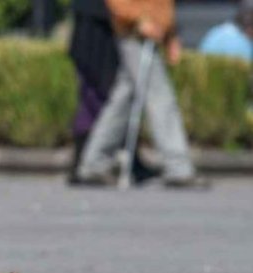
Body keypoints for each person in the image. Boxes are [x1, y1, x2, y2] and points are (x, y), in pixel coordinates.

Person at [76, 0, 209, 188]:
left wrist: (170, 34)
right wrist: (138, 21)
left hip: (145, 34)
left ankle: (93, 163)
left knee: (123, 100)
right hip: (135, 34)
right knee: (160, 98)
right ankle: (178, 168)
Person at [67, 0, 158, 185]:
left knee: (110, 94)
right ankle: (86, 161)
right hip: (98, 25)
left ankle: (96, 161)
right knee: (99, 94)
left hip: (103, 21)